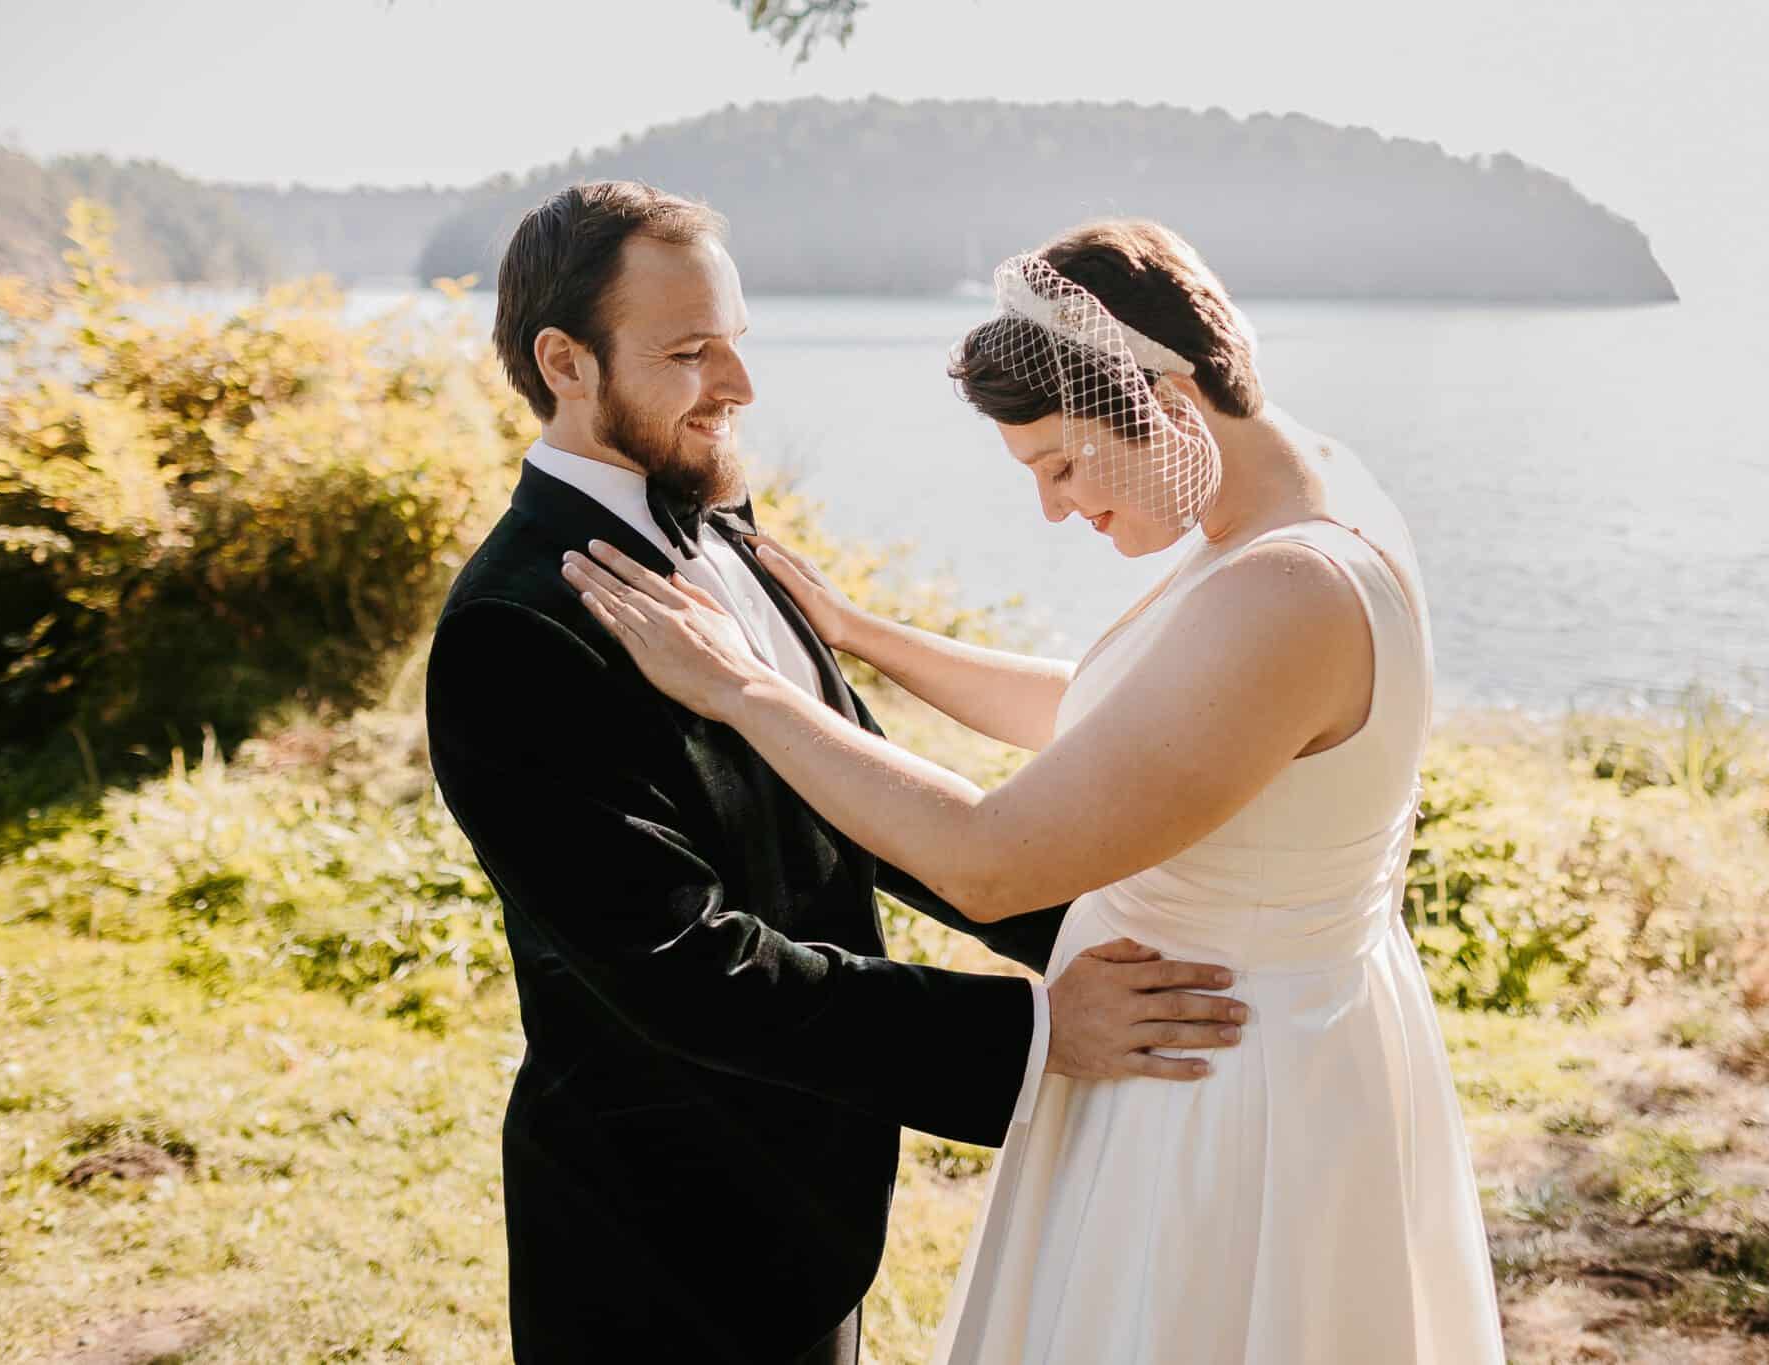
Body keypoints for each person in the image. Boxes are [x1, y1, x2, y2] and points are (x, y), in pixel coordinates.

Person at [563, 219, 1507, 1362]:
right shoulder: (1299, 502)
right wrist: (864, 637)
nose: (1055, 509)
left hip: (1222, 1085)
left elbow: (988, 856)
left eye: (1060, 464)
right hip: (1212, 1040)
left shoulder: (1288, 589)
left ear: (1161, 402)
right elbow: (1131, 724)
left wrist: (744, 692)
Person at [425, 184, 1249, 1364]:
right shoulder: (513, 629)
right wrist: (1034, 1030)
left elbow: (853, 801)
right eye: (690, 352)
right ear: (565, 361)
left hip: (811, 1202)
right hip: (652, 1235)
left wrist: (1098, 933)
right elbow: (678, 967)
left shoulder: (732, 535)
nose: (739, 387)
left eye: (737, 344)